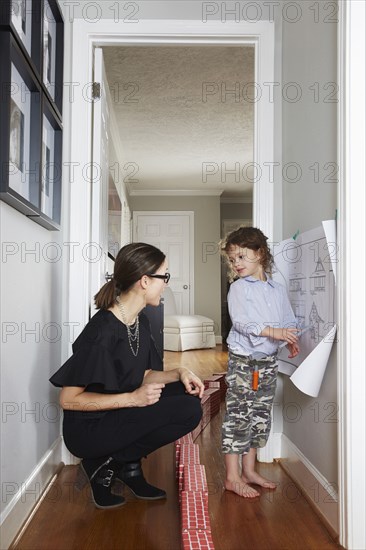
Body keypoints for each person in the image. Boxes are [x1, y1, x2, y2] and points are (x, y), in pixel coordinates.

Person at [50, 242, 204, 509]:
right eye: (164, 276)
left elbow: (141, 373)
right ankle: (107, 464)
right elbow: (68, 399)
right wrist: (133, 398)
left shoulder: (138, 321)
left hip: (117, 413)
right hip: (90, 428)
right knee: (187, 409)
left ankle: (120, 464)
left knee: (185, 395)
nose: (166, 283)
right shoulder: (101, 332)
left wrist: (179, 372)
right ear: (144, 281)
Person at [220, 227, 299, 498]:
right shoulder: (239, 288)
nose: (237, 264)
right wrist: (272, 331)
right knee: (238, 416)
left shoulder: (277, 289)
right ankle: (232, 477)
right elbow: (241, 322)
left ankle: (249, 471)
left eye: (242, 257)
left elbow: (288, 318)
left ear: (260, 254)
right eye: (232, 260)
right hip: (243, 361)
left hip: (267, 362)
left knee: (259, 416)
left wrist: (289, 336)